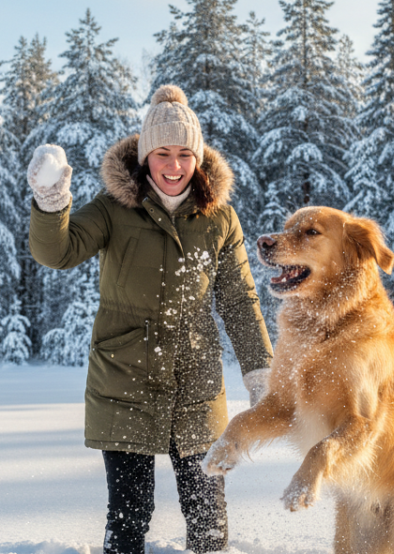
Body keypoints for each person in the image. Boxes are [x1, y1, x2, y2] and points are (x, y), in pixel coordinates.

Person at [27, 84, 273, 554]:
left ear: (198, 158)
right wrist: (51, 201)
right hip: (124, 383)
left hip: (197, 385)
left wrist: (260, 370)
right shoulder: (114, 209)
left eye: (185, 153)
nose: (174, 165)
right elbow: (57, 251)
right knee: (128, 518)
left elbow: (240, 299)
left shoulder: (220, 218)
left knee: (208, 525)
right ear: (145, 156)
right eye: (163, 152)